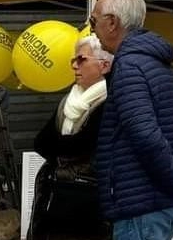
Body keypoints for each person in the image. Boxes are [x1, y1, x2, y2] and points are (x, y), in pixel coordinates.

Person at [92, 0, 173, 240]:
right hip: (158, 204)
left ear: (112, 23)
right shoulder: (160, 64)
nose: (91, 30)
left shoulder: (130, 66)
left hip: (141, 207)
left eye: (93, 21)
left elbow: (145, 134)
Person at [29, 34, 114, 240]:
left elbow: (84, 146)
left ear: (104, 65)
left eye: (81, 59)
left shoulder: (111, 102)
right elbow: (41, 143)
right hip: (54, 200)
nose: (75, 66)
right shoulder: (69, 100)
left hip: (88, 206)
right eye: (73, 60)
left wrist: (62, 148)